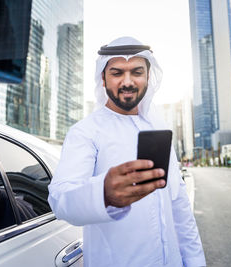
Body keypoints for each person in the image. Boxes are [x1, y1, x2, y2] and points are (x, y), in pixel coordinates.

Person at [48, 36, 206, 267]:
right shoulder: (86, 132)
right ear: (103, 77)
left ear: (148, 76)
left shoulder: (158, 128)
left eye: (137, 72)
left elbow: (179, 206)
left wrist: (195, 262)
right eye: (117, 73)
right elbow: (60, 199)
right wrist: (103, 193)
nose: (127, 81)